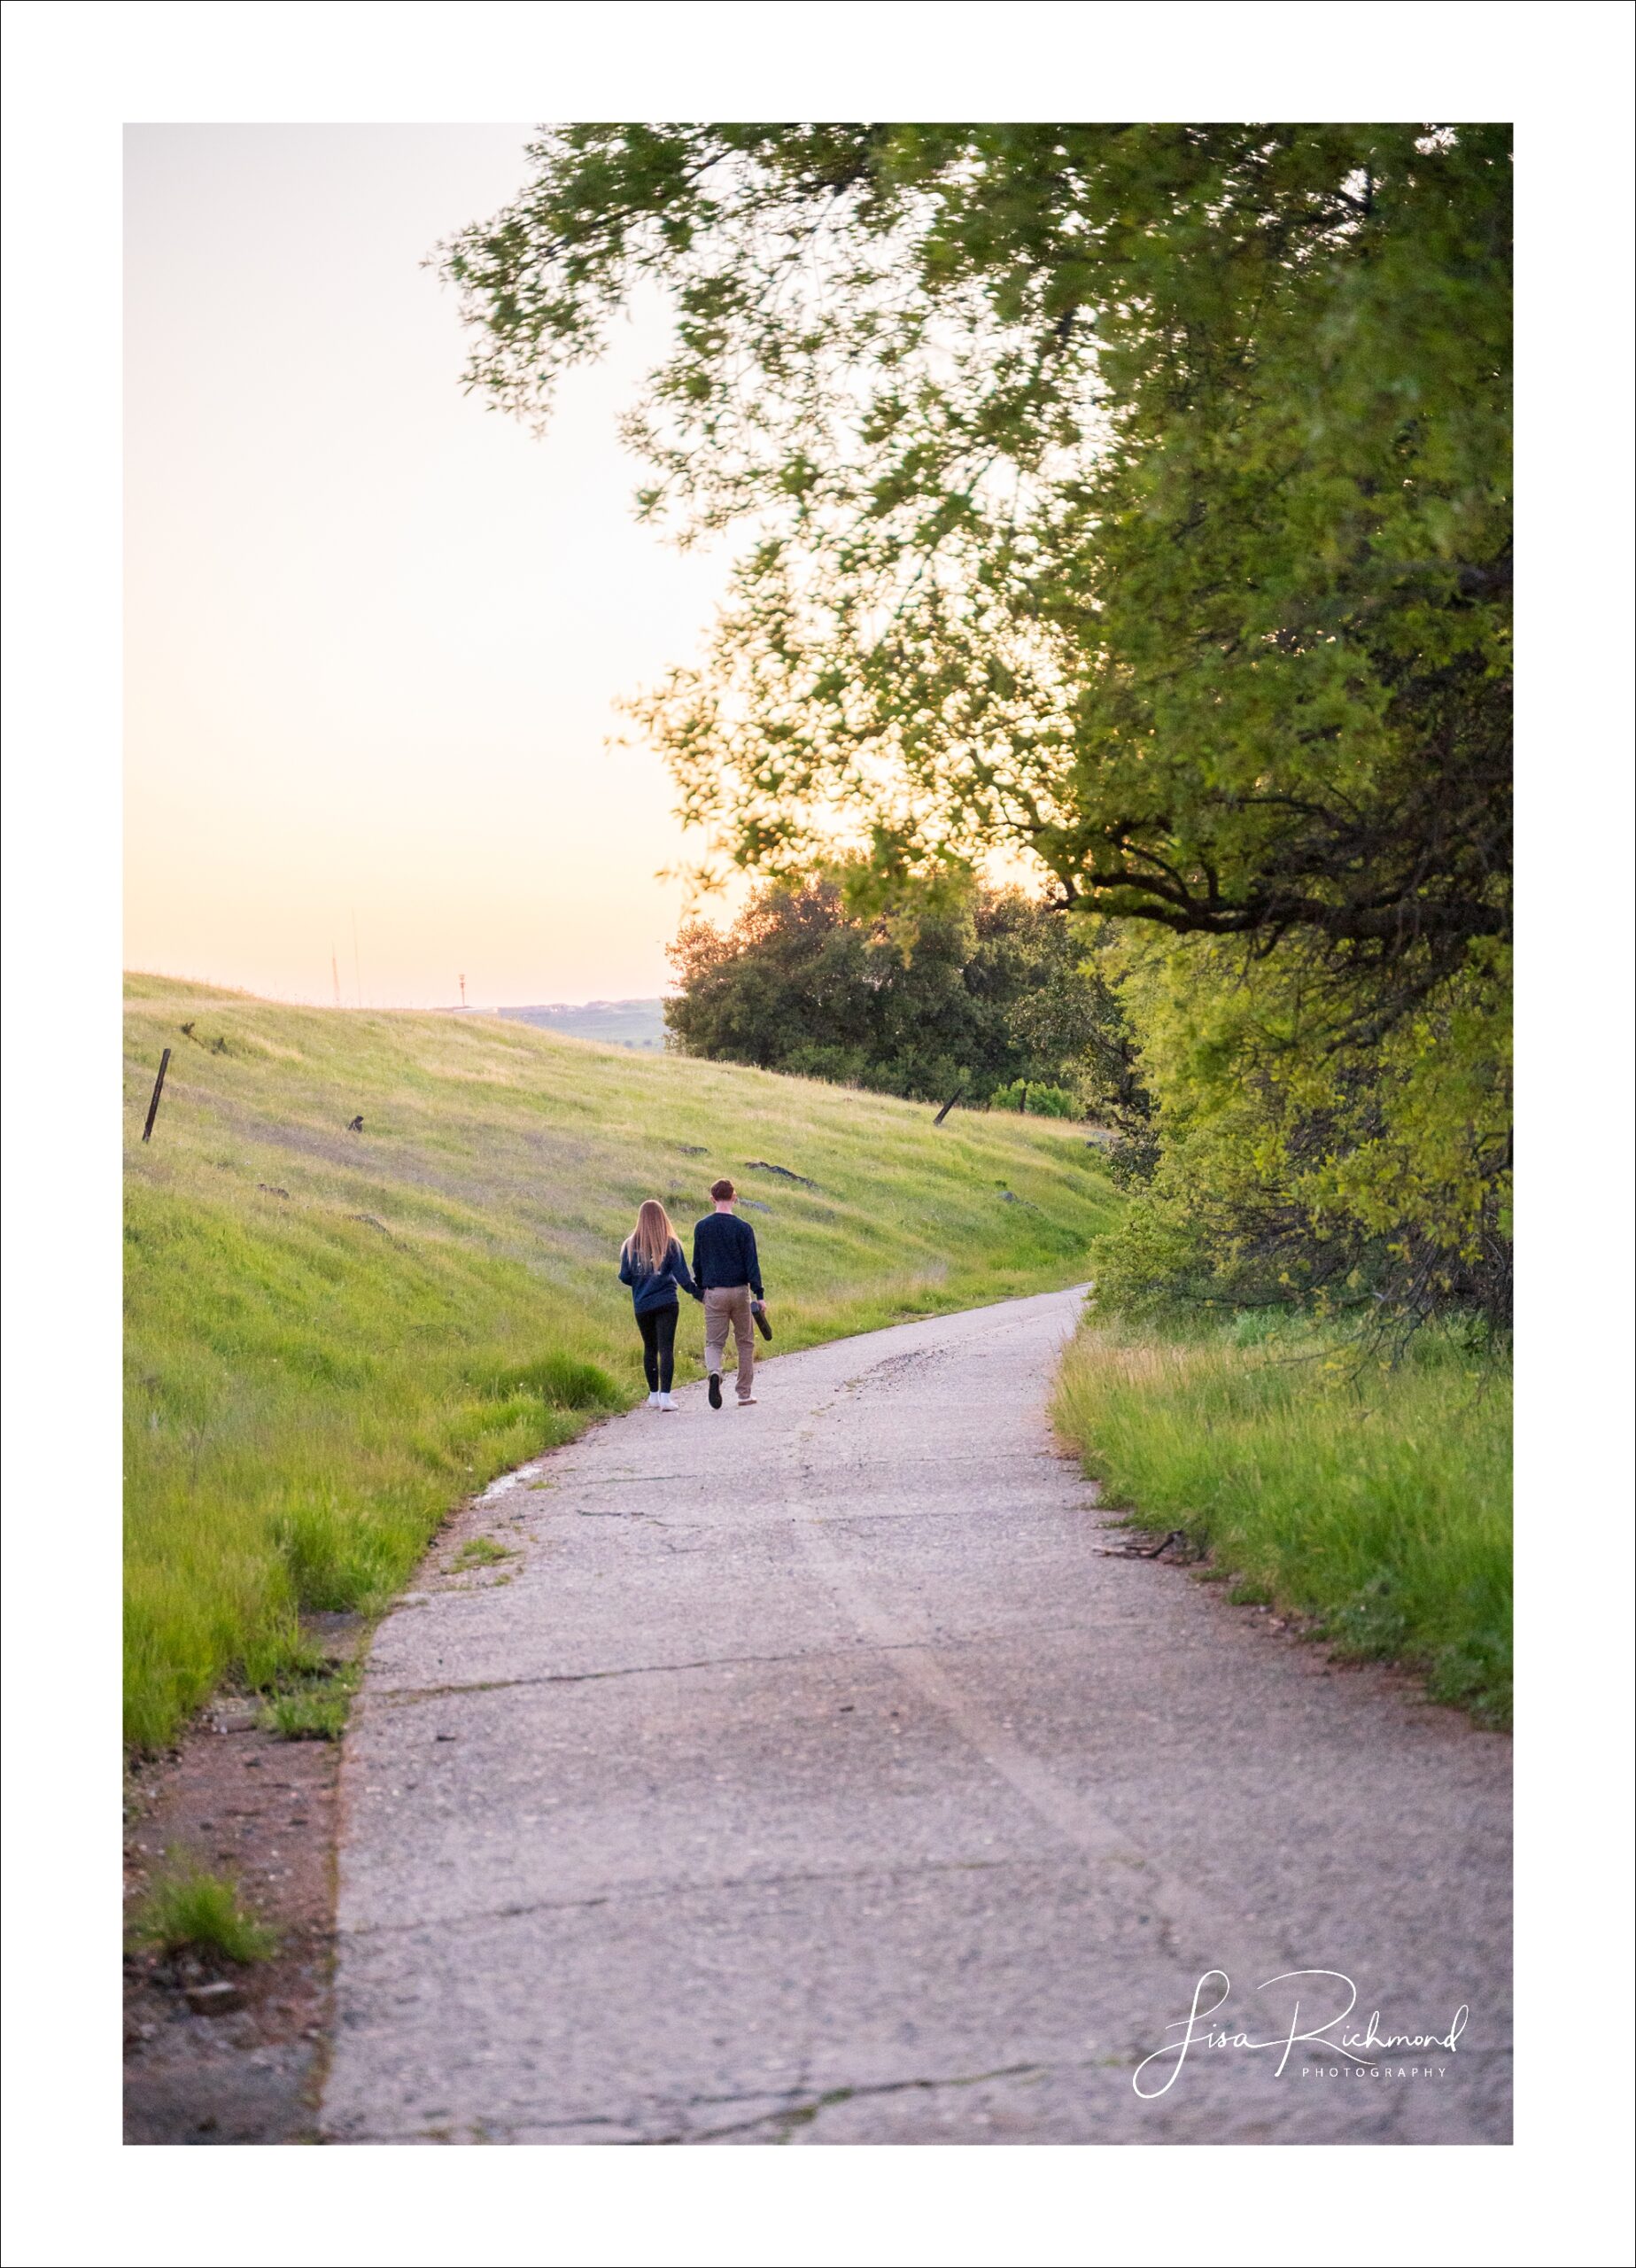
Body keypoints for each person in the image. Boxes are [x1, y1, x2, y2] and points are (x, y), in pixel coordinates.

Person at [617, 1200, 702, 1410]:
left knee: (649, 1348)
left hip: (642, 1303)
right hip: (666, 1301)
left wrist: (640, 1283)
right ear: (663, 1217)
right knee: (666, 1349)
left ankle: (652, 1395)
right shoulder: (671, 1244)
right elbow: (683, 1277)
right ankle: (666, 1397)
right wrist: (700, 1294)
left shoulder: (629, 1245)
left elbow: (624, 1276)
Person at [691, 1177, 766, 1409]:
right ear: (734, 1197)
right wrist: (759, 1294)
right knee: (744, 1342)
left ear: (712, 1199)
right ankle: (744, 1393)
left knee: (714, 1343)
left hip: (714, 1292)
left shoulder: (702, 1227)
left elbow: (697, 1262)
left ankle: (715, 1372)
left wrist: (702, 1290)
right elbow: (752, 1264)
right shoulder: (744, 1228)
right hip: (740, 1292)